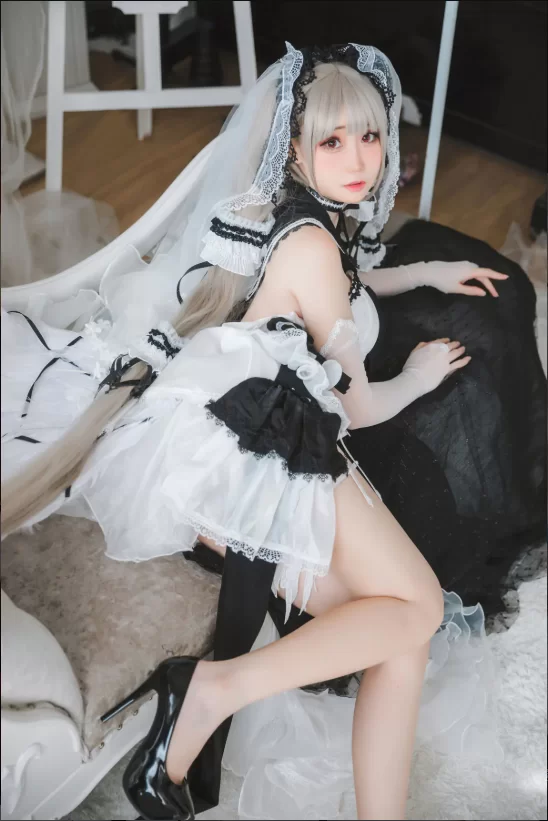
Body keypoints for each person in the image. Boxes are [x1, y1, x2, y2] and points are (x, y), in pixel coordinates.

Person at [1, 43, 543, 820]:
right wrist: (420, 378)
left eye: (370, 136)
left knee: (399, 631)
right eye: (333, 141)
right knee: (418, 606)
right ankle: (211, 688)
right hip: (256, 458)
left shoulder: (312, 225)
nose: (359, 159)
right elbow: (358, 406)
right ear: (293, 150)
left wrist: (426, 274)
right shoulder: (313, 243)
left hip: (247, 440)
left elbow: (352, 278)